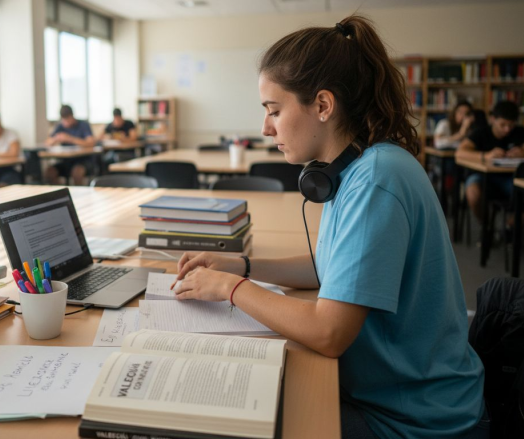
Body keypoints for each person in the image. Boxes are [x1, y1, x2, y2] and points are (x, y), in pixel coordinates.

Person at [171, 16, 487, 439]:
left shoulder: (375, 181)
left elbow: (329, 332)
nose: (266, 128)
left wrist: (229, 289)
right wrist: (243, 266)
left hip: (417, 420)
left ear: (322, 105)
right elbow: (329, 264)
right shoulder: (360, 167)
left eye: (274, 110)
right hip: (391, 395)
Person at [457, 101, 524, 221]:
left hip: (513, 179)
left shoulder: (519, 132)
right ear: (493, 119)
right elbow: (460, 152)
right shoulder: (482, 132)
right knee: (472, 191)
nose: (507, 129)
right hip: (484, 178)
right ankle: (487, 228)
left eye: (511, 125)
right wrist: (486, 155)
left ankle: (510, 227)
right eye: (502, 124)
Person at [45, 105, 96, 185]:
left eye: (68, 119)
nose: (66, 122)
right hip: (66, 161)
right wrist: (56, 138)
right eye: (64, 120)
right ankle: (61, 193)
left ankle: (79, 195)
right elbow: (47, 143)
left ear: (72, 116)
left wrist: (70, 139)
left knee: (77, 172)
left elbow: (91, 143)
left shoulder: (83, 125)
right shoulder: (60, 126)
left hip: (82, 160)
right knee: (50, 172)